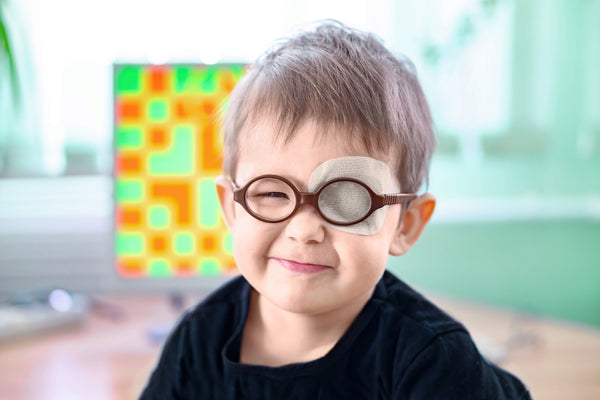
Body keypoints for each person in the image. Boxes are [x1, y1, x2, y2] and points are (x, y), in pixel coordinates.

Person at [140, 21, 532, 399]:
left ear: (405, 225)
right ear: (231, 207)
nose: (304, 229)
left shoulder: (433, 363)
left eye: (348, 199)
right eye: (273, 194)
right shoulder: (199, 339)